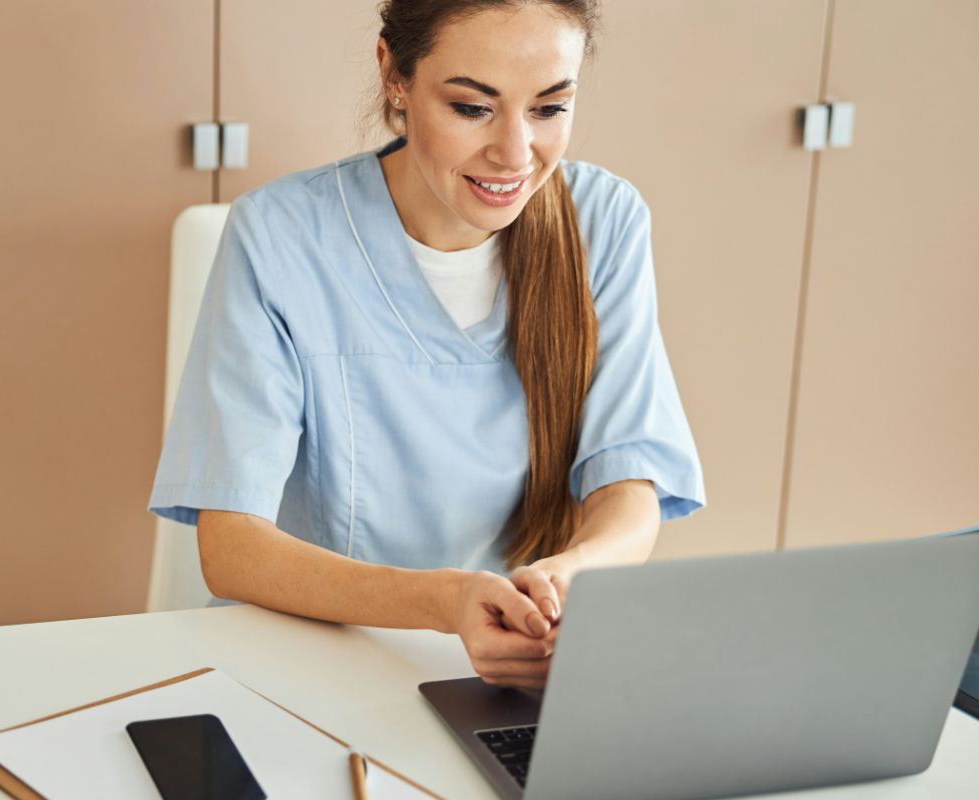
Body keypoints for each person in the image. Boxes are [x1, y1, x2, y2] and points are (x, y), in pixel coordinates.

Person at [148, 0, 704, 690]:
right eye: (473, 108)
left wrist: (564, 580)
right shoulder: (281, 235)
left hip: (506, 670)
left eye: (549, 109)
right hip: (307, 660)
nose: (514, 152)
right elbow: (232, 550)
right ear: (395, 76)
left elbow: (629, 485)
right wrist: (446, 602)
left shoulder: (606, 222)